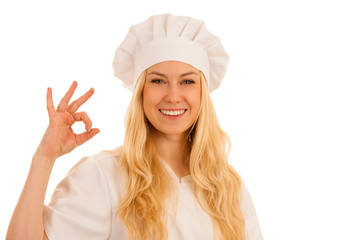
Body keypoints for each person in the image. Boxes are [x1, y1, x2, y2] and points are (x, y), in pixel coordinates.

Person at [6, 14, 263, 240]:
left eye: (187, 82)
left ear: (202, 94)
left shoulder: (229, 188)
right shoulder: (104, 176)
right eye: (158, 81)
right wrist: (44, 158)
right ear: (141, 92)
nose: (173, 96)